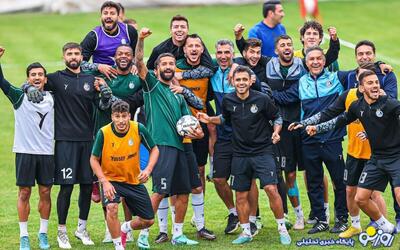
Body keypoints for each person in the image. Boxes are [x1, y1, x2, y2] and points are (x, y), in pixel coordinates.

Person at [24, 42, 112, 249]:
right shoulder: (55, 78)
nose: (73, 56)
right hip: (64, 142)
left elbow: (102, 106)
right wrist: (28, 87)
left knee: (85, 187)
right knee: (66, 187)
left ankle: (81, 229)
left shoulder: (92, 80)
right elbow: (31, 83)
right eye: (69, 53)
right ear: (64, 56)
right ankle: (61, 232)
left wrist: (105, 97)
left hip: (87, 141)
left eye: (77, 53)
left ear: (82, 56)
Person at [289, 63, 388, 238]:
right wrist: (307, 124)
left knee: (373, 193)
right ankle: (355, 225)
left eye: (373, 80)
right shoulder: (349, 97)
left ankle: (382, 228)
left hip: (374, 154)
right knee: (350, 190)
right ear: (358, 79)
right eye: (363, 77)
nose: (369, 83)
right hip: (353, 152)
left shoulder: (383, 100)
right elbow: (332, 115)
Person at [198, 65, 291, 245]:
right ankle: (246, 232)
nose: (241, 83)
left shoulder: (262, 99)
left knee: (272, 189)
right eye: (237, 80)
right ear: (233, 82)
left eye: (244, 80)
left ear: (250, 81)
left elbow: (277, 117)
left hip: (263, 151)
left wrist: (277, 131)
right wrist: (210, 119)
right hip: (240, 153)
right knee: (240, 194)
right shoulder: (228, 100)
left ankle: (282, 229)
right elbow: (224, 118)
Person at [134, 27, 203, 246]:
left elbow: (190, 123)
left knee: (184, 191)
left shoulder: (179, 95)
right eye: (163, 64)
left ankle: (179, 234)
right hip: (161, 147)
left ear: (175, 68)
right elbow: (138, 62)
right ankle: (144, 233)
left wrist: (199, 131)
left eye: (171, 64)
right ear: (156, 69)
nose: (168, 67)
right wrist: (141, 39)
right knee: (160, 191)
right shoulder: (151, 86)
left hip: (182, 147)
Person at [272, 46, 348, 234]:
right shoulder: (301, 83)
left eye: (318, 59)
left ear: (324, 61)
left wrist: (380, 65)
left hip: (332, 139)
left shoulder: (336, 78)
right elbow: (281, 97)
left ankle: (342, 219)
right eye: (311, 59)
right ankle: (321, 220)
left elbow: (360, 73)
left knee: (339, 181)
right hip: (309, 140)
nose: (315, 62)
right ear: (306, 63)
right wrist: (258, 86)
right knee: (314, 181)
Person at [87, 44, 143, 244]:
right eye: (120, 54)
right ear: (114, 57)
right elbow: (81, 67)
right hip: (104, 136)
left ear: (132, 58)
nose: (124, 57)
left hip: (127, 140)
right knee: (108, 188)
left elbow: (134, 102)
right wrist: (98, 70)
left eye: (128, 54)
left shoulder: (136, 79)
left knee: (127, 187)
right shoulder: (104, 76)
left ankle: (126, 228)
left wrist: (107, 90)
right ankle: (109, 229)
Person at [0, 48, 53, 250]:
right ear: (28, 79)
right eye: (33, 75)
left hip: (47, 152)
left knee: (46, 193)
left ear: (45, 79)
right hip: (24, 152)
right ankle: (24, 236)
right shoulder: (19, 96)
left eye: (40, 74)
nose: (37, 77)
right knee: (24, 193)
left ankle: (43, 234)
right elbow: (2, 83)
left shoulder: (53, 98)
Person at [90, 100, 159, 250]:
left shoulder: (138, 128)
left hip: (132, 180)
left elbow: (154, 149)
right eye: (117, 116)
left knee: (148, 221)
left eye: (123, 116)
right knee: (112, 208)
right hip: (111, 180)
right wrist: (104, 181)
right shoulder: (104, 132)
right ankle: (118, 246)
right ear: (112, 117)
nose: (121, 120)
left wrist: (147, 170)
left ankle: (125, 227)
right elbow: (93, 159)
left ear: (129, 116)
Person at [81, 1, 138, 79]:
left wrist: (134, 64)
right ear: (101, 17)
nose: (108, 16)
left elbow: (136, 54)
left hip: (126, 77)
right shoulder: (93, 36)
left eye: (112, 13)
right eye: (105, 13)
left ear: (118, 16)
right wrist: (98, 66)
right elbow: (80, 62)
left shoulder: (129, 31)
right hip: (103, 78)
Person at [146, 15, 213, 71]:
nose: (179, 29)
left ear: (188, 30)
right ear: (170, 30)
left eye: (183, 27)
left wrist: (183, 75)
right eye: (176, 27)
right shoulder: (159, 50)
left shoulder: (195, 44)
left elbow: (210, 68)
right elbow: (149, 72)